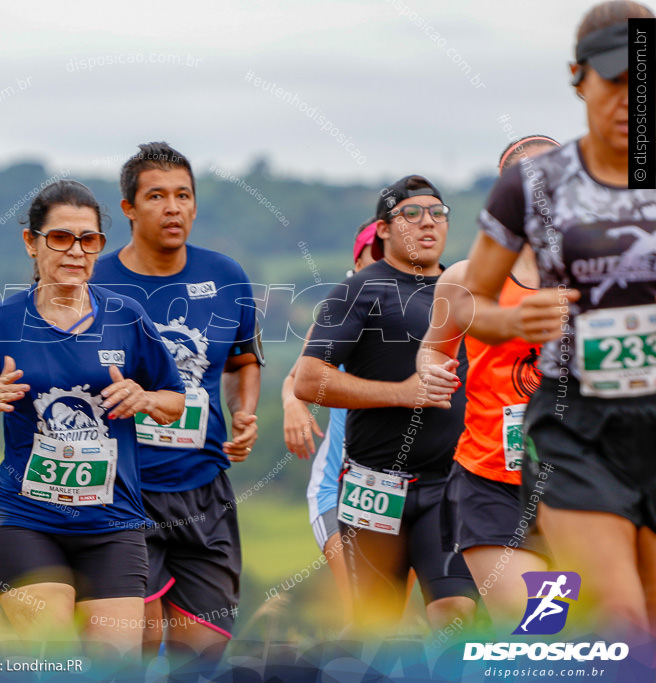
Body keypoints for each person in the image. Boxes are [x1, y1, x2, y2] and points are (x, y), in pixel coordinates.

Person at [462, 0, 656, 635]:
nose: (631, 98)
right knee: (620, 623)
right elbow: (473, 306)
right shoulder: (532, 186)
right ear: (578, 78)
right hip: (578, 432)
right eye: (614, 79)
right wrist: (516, 323)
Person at [0, 179, 184, 658]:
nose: (76, 251)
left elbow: (176, 402)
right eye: (61, 238)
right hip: (24, 520)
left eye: (89, 240)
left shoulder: (126, 317)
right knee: (54, 659)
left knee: (113, 667)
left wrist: (145, 397)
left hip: (113, 522)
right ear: (31, 242)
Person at [91, 142, 262, 663]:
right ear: (128, 208)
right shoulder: (93, 281)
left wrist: (242, 412)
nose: (173, 208)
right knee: (133, 649)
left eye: (183, 195)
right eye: (157, 196)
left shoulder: (228, 277)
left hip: (204, 489)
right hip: (123, 493)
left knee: (204, 658)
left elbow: (242, 360)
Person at [294, 175, 477, 636]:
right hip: (375, 488)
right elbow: (309, 381)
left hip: (449, 485)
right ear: (383, 229)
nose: (427, 223)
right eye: (411, 214)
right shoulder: (360, 290)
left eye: (438, 213)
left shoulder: (463, 290)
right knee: (374, 631)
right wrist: (402, 392)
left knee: (456, 612)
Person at [418, 135, 559, 634]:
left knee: (604, 633)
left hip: (586, 479)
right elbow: (432, 352)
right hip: (492, 481)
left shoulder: (608, 272)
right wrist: (431, 373)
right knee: (538, 629)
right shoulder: (463, 278)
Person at [282, 218, 381, 628]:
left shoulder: (432, 313)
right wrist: (293, 405)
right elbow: (296, 377)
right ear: (356, 264)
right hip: (340, 488)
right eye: (375, 258)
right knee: (365, 609)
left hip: (417, 486)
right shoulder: (340, 315)